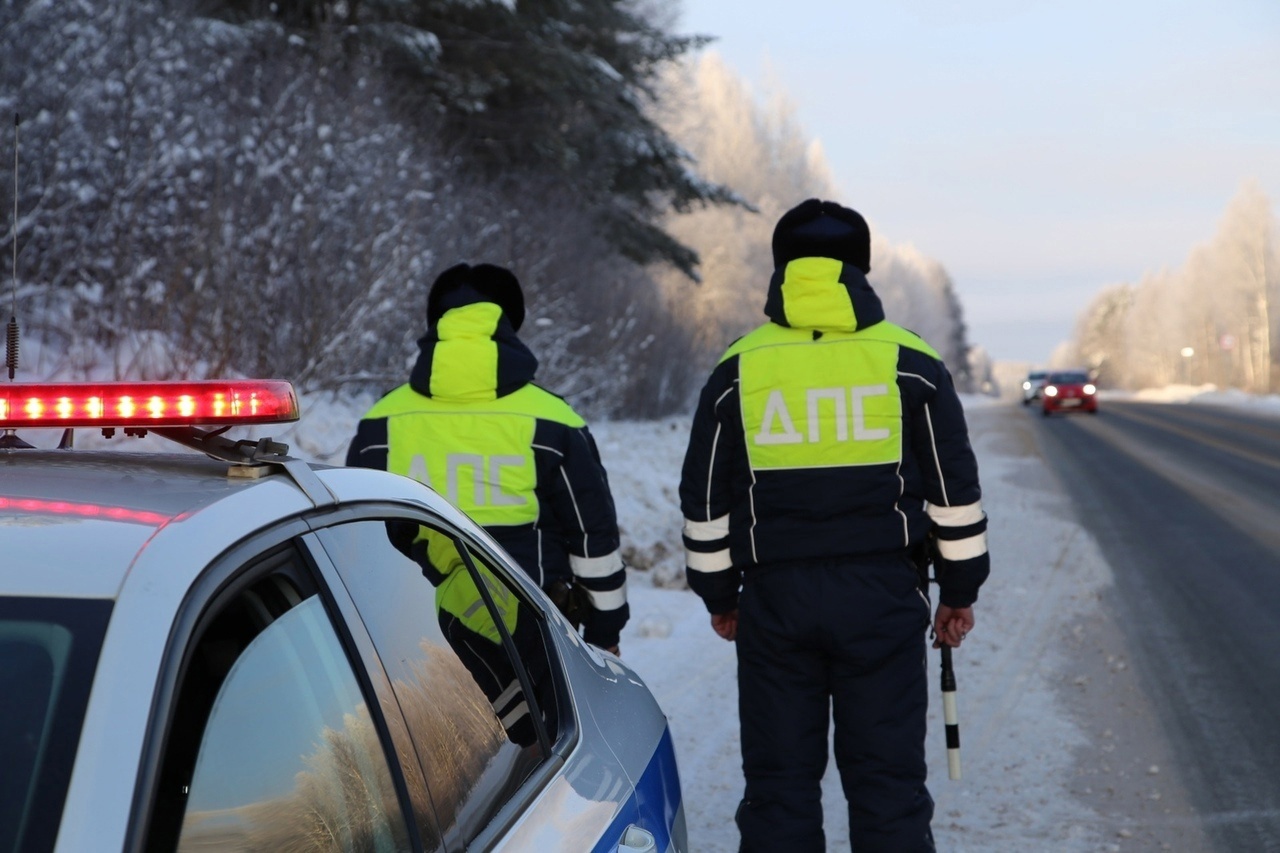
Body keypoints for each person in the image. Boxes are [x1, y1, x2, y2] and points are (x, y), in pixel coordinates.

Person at [678, 199, 990, 852]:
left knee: (779, 786)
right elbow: (953, 495)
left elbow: (704, 501)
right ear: (863, 269)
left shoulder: (738, 369)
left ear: (782, 268)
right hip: (883, 598)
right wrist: (958, 590)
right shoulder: (912, 364)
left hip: (775, 604)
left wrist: (722, 596)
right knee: (888, 786)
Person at [347, 262, 628, 654]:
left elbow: (353, 541)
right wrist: (605, 631)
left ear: (434, 324)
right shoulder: (554, 420)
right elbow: (592, 535)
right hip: (538, 640)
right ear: (510, 326)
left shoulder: (381, 422)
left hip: (406, 650)